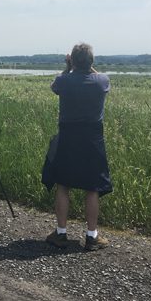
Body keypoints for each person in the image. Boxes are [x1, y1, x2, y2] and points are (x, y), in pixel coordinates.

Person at [42, 43, 112, 251]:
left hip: (68, 139)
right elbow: (95, 73)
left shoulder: (64, 80)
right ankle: (92, 236)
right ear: (91, 62)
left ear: (72, 60)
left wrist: (68, 67)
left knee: (63, 185)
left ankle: (61, 233)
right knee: (93, 188)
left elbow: (55, 87)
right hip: (93, 141)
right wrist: (86, 66)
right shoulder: (102, 81)